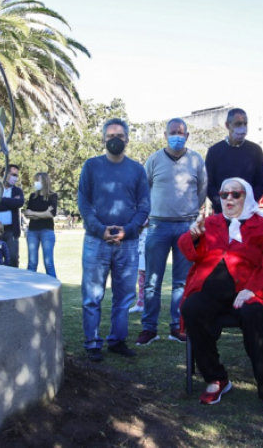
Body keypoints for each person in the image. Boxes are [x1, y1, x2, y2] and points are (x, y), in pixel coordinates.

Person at [178, 178, 263, 420]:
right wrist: (193, 236)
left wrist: (253, 290)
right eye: (224, 194)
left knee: (253, 313)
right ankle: (216, 378)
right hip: (211, 294)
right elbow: (187, 250)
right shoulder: (210, 222)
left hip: (249, 293)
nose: (228, 198)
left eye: (235, 194)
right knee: (192, 308)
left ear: (246, 197)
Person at [78, 118, 151, 361]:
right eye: (110, 136)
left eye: (119, 136)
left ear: (127, 139)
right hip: (95, 241)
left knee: (124, 297)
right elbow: (84, 203)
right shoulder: (91, 166)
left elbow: (144, 207)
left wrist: (127, 231)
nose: (115, 140)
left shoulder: (137, 170)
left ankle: (117, 340)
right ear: (102, 140)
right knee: (92, 297)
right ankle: (92, 342)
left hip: (127, 243)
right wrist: (100, 229)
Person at [137, 118, 208, 346]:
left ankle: (177, 327)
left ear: (187, 136)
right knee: (151, 281)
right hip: (158, 226)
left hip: (186, 227)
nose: (177, 135)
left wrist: (190, 211)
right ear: (165, 134)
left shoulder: (196, 159)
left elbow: (202, 190)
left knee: (182, 282)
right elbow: (144, 188)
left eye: (181, 132)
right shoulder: (154, 159)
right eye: (172, 132)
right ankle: (149, 328)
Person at [205, 108, 263, 214]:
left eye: (245, 124)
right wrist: (223, 203)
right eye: (238, 124)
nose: (242, 128)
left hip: (248, 212)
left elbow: (260, 182)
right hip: (222, 213)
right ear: (228, 125)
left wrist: (247, 202)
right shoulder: (214, 151)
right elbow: (208, 184)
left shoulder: (256, 150)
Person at [24, 172, 58, 278]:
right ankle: (30, 288)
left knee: (48, 263)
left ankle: (54, 290)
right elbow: (27, 214)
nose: (36, 183)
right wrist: (43, 214)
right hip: (32, 231)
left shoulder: (52, 196)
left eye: (38, 180)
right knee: (32, 263)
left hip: (47, 231)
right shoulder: (33, 196)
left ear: (44, 181)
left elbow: (51, 214)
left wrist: (33, 213)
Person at [128, 224, 148, 314]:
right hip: (140, 240)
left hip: (150, 238)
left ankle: (148, 304)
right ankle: (140, 303)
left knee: (149, 275)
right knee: (141, 273)